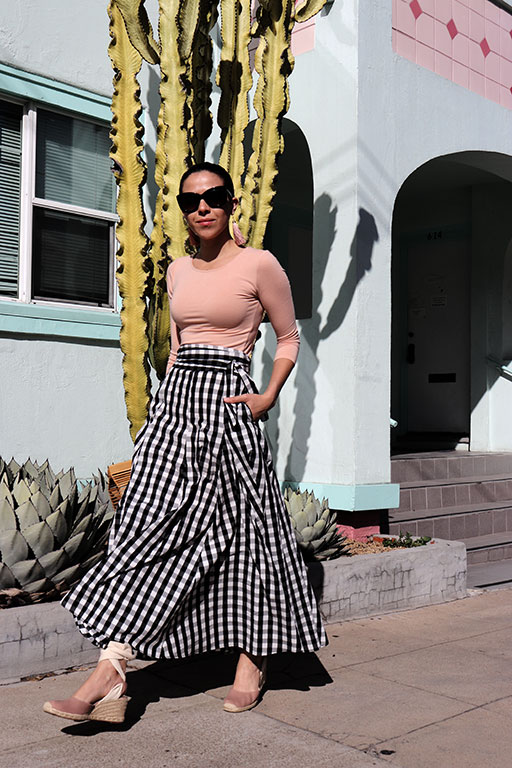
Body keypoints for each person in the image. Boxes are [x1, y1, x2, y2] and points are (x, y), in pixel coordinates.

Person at [43, 162, 327, 723]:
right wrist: (162, 416)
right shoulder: (176, 270)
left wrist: (268, 396)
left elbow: (289, 336)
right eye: (191, 200)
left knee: (246, 534)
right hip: (176, 407)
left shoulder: (260, 264)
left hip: (229, 406)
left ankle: (252, 660)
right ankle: (112, 668)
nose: (203, 207)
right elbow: (175, 347)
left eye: (214, 196)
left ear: (232, 203)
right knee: (143, 530)